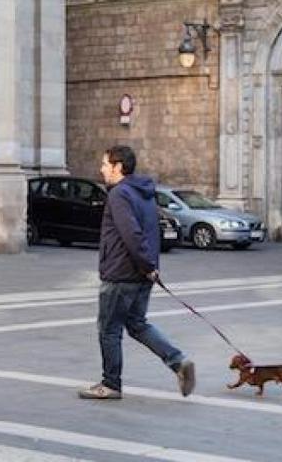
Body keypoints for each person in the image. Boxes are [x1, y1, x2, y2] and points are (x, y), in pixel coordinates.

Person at [78, 145, 196, 400]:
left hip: (121, 274)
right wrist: (150, 267)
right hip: (143, 274)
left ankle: (110, 384)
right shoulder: (145, 193)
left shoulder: (119, 194)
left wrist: (145, 264)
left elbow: (131, 233)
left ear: (118, 166)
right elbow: (151, 231)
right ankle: (178, 362)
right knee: (137, 324)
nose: (101, 169)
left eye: (104, 164)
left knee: (109, 330)